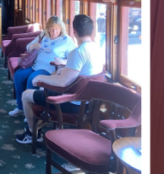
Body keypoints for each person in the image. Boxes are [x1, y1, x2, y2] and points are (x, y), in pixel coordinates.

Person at [16, 13, 104, 145]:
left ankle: (32, 132)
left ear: (73, 31)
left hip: (71, 102)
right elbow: (78, 74)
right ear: (92, 31)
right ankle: (39, 122)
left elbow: (63, 82)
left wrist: (41, 77)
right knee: (46, 80)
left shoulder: (78, 52)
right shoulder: (97, 49)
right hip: (89, 102)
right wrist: (59, 72)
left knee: (27, 95)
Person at [8, 16, 75, 117]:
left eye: (57, 29)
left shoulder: (67, 40)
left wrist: (62, 61)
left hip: (49, 69)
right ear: (48, 28)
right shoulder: (43, 35)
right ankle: (21, 107)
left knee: (32, 79)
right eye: (51, 28)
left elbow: (72, 60)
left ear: (61, 28)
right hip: (35, 65)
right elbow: (28, 47)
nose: (54, 31)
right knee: (18, 75)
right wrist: (33, 46)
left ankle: (31, 112)